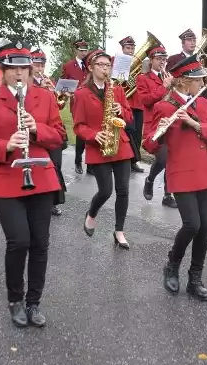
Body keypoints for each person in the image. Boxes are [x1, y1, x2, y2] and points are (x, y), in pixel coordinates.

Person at [0, 39, 65, 327]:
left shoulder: (45, 97)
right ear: (3, 70)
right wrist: (6, 144)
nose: (21, 74)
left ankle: (34, 302)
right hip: (5, 178)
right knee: (19, 240)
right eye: (14, 69)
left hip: (41, 177)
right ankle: (15, 299)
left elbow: (60, 136)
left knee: (40, 243)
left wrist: (38, 129)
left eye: (25, 68)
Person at [144, 54, 207, 301]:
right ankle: (172, 264)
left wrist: (192, 122)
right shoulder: (164, 107)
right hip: (181, 172)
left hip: (206, 170)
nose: (202, 84)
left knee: (206, 228)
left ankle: (195, 278)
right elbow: (149, 144)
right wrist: (162, 131)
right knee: (192, 224)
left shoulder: (205, 105)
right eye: (197, 79)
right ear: (182, 82)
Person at [73, 49, 134, 249]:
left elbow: (129, 116)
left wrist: (121, 110)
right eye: (100, 65)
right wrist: (93, 135)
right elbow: (78, 125)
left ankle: (119, 231)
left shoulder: (116, 89)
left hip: (121, 144)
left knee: (123, 190)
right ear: (90, 67)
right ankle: (91, 213)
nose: (105, 69)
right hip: (98, 146)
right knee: (106, 190)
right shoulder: (81, 94)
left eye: (108, 65)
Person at [137, 44, 178, 208]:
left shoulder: (168, 76)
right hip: (153, 124)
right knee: (163, 157)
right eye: (159, 59)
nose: (162, 62)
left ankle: (168, 195)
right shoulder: (143, 78)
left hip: (170, 121)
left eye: (164, 59)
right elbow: (145, 100)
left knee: (172, 157)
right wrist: (164, 87)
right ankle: (150, 179)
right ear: (151, 60)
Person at [31, 48, 68, 217]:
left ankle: (53, 202)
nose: (40, 68)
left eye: (42, 64)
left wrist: (62, 97)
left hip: (52, 128)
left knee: (56, 165)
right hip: (34, 128)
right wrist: (40, 88)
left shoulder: (50, 81)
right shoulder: (27, 82)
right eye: (37, 64)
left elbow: (58, 106)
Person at [61, 39, 90, 174]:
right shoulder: (69, 66)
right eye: (81, 50)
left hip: (92, 101)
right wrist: (66, 92)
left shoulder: (91, 64)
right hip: (77, 102)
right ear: (76, 50)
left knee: (93, 132)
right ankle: (78, 160)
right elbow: (62, 84)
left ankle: (91, 164)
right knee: (81, 132)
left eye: (86, 50)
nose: (84, 53)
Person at [118, 36, 145, 174]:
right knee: (128, 131)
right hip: (125, 102)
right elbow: (115, 80)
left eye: (132, 48)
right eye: (128, 48)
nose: (131, 50)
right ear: (122, 49)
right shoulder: (117, 61)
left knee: (137, 133)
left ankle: (134, 161)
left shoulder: (141, 64)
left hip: (138, 103)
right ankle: (127, 160)